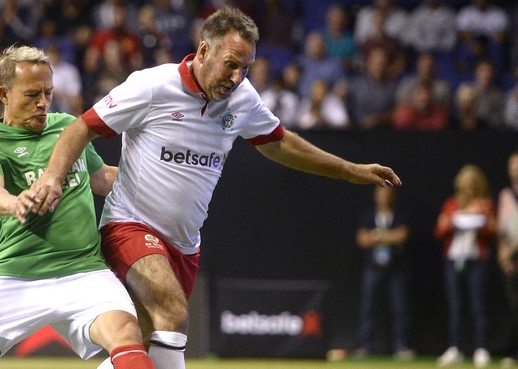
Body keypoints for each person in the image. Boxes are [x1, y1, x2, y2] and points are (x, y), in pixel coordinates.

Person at [29, 8, 402, 369]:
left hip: (184, 246)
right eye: (231, 64)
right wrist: (52, 177)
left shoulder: (242, 99)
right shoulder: (153, 86)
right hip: (129, 225)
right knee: (173, 313)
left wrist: (348, 169)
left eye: (246, 68)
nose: (238, 77)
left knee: (139, 349)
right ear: (204, 51)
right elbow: (82, 128)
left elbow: (280, 143)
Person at [0, 45, 154, 369]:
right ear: (3, 93)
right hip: (15, 275)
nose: (43, 103)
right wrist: (14, 201)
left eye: (48, 92)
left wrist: (165, 184)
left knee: (130, 336)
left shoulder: (66, 128)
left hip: (84, 271)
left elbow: (102, 178)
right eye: (32, 95)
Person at [435, 164, 496, 368]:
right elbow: (440, 231)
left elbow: (491, 232)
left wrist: (484, 221)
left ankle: (481, 348)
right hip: (454, 260)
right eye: (467, 185)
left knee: (478, 305)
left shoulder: (486, 204)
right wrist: (449, 222)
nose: (470, 189)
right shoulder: (452, 204)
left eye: (474, 185)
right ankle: (455, 348)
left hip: (476, 260)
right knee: (456, 306)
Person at [352, 186, 413, 361]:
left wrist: (377, 237)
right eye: (381, 194)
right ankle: (365, 345)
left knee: (400, 307)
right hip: (373, 268)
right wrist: (388, 236)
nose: (384, 198)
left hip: (396, 269)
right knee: (368, 307)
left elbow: (402, 236)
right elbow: (362, 240)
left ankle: (402, 346)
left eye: (387, 194)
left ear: (393, 196)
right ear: (375, 197)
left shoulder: (400, 215)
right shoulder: (368, 216)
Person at [497, 151, 518, 367]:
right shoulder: (505, 195)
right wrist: (503, 254)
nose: (515, 169)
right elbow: (501, 229)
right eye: (512, 165)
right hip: (511, 261)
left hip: (514, 253)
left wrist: (510, 251)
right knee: (514, 307)